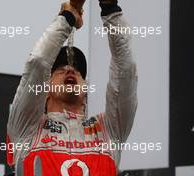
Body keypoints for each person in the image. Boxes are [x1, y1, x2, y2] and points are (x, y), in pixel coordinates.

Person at [7, 0, 138, 175]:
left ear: (85, 92)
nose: (70, 69)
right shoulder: (27, 127)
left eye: (78, 71)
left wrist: (110, 10)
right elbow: (38, 63)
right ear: (44, 92)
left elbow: (125, 71)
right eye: (60, 70)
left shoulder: (109, 130)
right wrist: (67, 18)